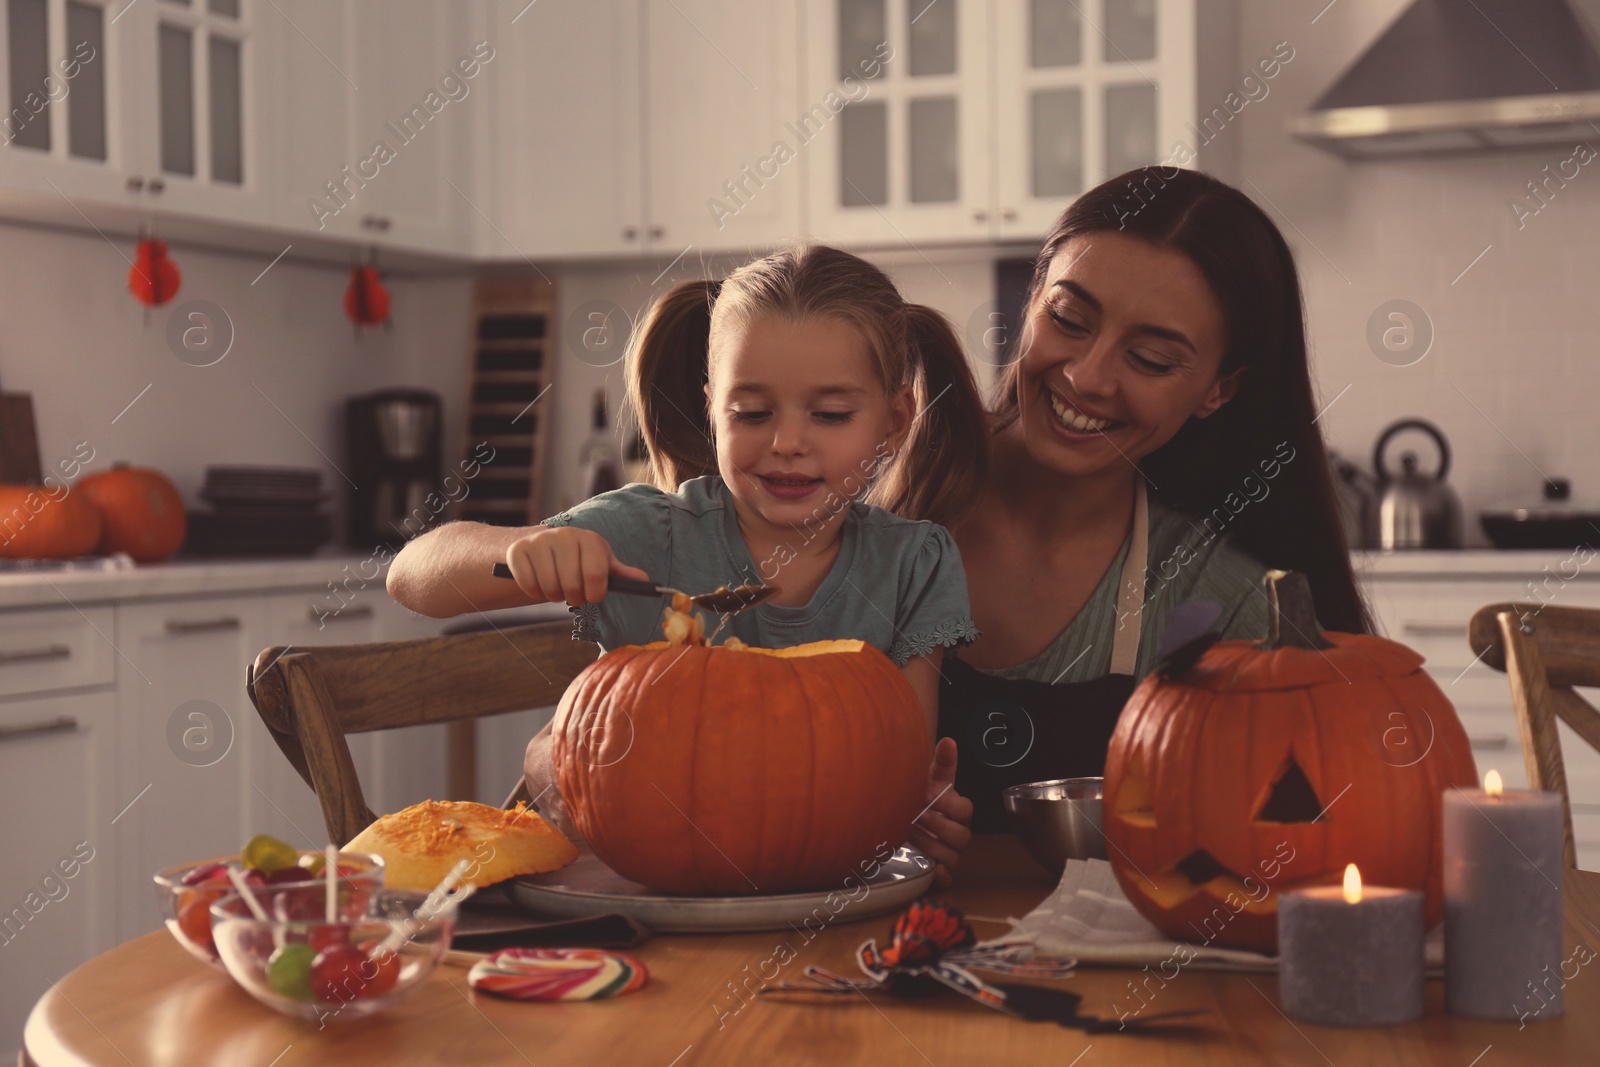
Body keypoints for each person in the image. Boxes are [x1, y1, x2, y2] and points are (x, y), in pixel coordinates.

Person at [387, 244, 989, 883]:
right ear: (712, 409)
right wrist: (516, 552)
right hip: (643, 895)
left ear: (894, 422)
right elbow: (412, 575)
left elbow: (900, 764)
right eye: (751, 413)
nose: (786, 442)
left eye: (831, 414)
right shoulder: (650, 534)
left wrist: (916, 812)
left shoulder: (914, 563)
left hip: (828, 904)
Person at [940, 167, 1372, 831]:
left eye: (1149, 358)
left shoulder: (1233, 605)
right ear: (1032, 301)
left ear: (1218, 390)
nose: (1088, 377)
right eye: (1069, 319)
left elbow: (1314, 833)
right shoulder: (888, 488)